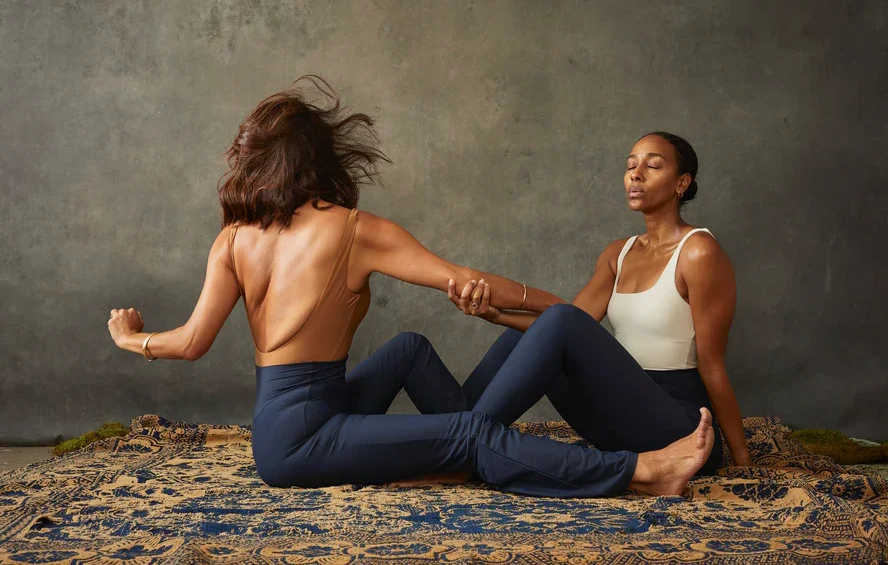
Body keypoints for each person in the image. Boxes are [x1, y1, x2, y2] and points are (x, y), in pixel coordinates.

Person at [106, 76, 715, 498]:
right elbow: (468, 281)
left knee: (409, 348)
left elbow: (189, 343)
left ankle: (448, 455)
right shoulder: (353, 230)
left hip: (284, 421)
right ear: (323, 159)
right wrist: (556, 312)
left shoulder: (233, 238)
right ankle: (637, 472)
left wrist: (133, 339)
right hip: (306, 442)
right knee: (473, 433)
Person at [447, 131, 751, 473]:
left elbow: (712, 366)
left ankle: (456, 452)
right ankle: (447, 437)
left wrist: (740, 457)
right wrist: (497, 315)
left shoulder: (698, 252)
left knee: (560, 319)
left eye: (652, 166)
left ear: (682, 183)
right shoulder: (617, 254)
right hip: (621, 415)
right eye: (631, 165)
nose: (636, 174)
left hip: (676, 424)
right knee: (523, 338)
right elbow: (557, 334)